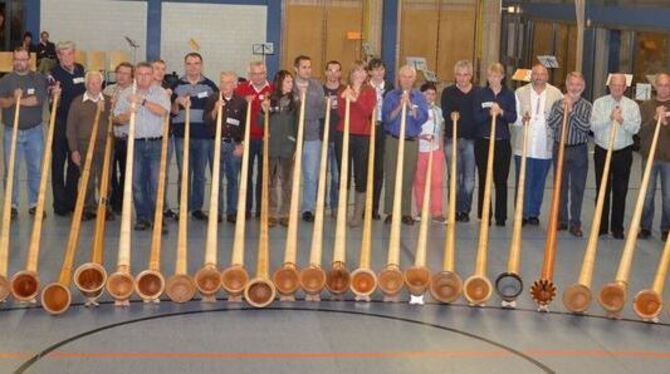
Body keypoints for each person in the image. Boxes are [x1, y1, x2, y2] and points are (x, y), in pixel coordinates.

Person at [114, 62, 171, 231]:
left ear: (153, 75)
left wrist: (143, 101)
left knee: (156, 184)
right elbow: (116, 118)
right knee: (137, 183)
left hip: (156, 143)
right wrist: (127, 115)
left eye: (147, 74)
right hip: (135, 143)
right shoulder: (126, 93)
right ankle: (142, 217)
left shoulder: (160, 92)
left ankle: (157, 218)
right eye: (139, 74)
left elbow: (163, 112)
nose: (143, 77)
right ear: (135, 75)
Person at [0, 47, 49, 218]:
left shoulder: (38, 78)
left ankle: (35, 204)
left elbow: (38, 100)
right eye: (17, 59)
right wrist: (13, 98)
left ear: (29, 60)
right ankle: (11, 205)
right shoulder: (6, 80)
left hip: (34, 132)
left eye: (23, 59)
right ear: (13, 60)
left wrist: (18, 101)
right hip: (10, 132)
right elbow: (2, 103)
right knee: (11, 169)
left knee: (35, 168)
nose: (20, 62)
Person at [590, 73, 641, 239]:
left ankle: (617, 227)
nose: (617, 88)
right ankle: (601, 226)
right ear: (609, 86)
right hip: (603, 150)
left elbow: (635, 129)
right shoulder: (599, 103)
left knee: (621, 190)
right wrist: (609, 118)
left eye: (620, 86)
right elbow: (593, 127)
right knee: (602, 189)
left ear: (625, 88)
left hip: (623, 152)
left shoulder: (632, 106)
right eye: (614, 85)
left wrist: (621, 121)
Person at [512, 64, 562, 226]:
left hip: (545, 146)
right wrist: (522, 119)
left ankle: (534, 212)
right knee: (523, 180)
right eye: (535, 74)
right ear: (530, 76)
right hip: (523, 144)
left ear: (547, 76)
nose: (539, 77)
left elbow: (561, 116)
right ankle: (521, 213)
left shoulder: (556, 94)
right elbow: (514, 117)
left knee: (539, 181)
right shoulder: (520, 93)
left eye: (542, 74)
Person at [171, 52, 218, 221]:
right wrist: (177, 102)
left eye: (196, 63)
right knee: (184, 173)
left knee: (199, 174)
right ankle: (183, 208)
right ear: (185, 65)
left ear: (202, 65)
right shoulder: (175, 85)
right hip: (181, 136)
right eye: (189, 63)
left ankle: (197, 208)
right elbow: (172, 111)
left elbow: (216, 112)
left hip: (204, 136)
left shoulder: (210, 86)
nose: (193, 67)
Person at [381, 65, 429, 225]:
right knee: (391, 175)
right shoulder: (390, 96)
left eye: (410, 77)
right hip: (393, 140)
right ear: (399, 78)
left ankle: (406, 212)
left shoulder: (420, 97)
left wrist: (409, 106)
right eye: (404, 76)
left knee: (408, 177)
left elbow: (421, 119)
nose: (407, 80)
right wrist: (400, 106)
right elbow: (387, 118)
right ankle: (390, 211)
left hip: (411, 141)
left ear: (414, 79)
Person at [547, 72, 592, 237]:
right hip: (560, 148)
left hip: (579, 149)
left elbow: (585, 127)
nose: (574, 88)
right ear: (566, 85)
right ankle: (562, 220)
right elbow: (551, 123)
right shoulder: (558, 103)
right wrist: (562, 110)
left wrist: (571, 111)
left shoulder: (587, 106)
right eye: (572, 84)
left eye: (578, 85)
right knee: (560, 186)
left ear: (583, 87)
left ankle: (575, 223)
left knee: (578, 187)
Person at [472, 62, 517, 226]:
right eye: (491, 76)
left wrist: (502, 112)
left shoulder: (509, 95)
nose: (494, 79)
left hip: (502, 142)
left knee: (501, 180)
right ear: (487, 77)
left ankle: (501, 216)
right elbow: (476, 117)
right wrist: (489, 114)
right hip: (483, 141)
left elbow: (513, 117)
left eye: (497, 76)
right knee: (484, 179)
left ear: (503, 77)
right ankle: (484, 214)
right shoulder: (480, 94)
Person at [335, 61, 376, 227]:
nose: (359, 74)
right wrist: (347, 98)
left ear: (366, 74)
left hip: (363, 136)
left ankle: (357, 215)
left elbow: (366, 112)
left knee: (361, 175)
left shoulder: (370, 91)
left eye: (362, 71)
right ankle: (342, 212)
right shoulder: (342, 89)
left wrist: (355, 99)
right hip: (343, 134)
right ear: (351, 73)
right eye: (356, 71)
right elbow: (341, 113)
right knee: (343, 173)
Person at [66, 71, 110, 221]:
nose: (95, 85)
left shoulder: (109, 102)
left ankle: (105, 207)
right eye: (91, 83)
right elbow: (70, 128)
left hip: (105, 145)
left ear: (102, 84)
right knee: (87, 178)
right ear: (86, 84)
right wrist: (74, 150)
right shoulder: (77, 103)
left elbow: (116, 121)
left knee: (106, 178)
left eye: (98, 83)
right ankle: (89, 207)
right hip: (84, 145)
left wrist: (106, 112)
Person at [204, 71, 246, 224]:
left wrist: (242, 144)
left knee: (233, 179)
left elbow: (244, 125)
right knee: (216, 180)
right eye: (222, 82)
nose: (224, 85)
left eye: (228, 82)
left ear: (235, 85)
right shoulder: (212, 99)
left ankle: (232, 212)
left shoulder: (241, 102)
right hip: (216, 144)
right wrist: (215, 109)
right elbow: (206, 121)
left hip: (234, 144)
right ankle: (217, 212)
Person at [50, 41, 86, 216]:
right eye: (63, 54)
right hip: (60, 122)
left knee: (75, 162)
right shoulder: (53, 73)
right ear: (58, 56)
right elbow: (50, 95)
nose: (68, 57)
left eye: (70, 53)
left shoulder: (80, 69)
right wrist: (53, 95)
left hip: (78, 124)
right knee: (58, 163)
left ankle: (72, 201)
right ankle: (59, 204)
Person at [235, 60, 273, 219]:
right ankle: (245, 209)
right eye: (254, 74)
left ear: (266, 73)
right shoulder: (241, 89)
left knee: (264, 176)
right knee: (246, 174)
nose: (258, 77)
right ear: (249, 74)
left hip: (266, 139)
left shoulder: (273, 90)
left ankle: (261, 210)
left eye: (261, 73)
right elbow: (235, 114)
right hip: (247, 139)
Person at [441, 59, 477, 222]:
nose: (462, 78)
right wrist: (451, 115)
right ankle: (454, 209)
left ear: (471, 76)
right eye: (459, 75)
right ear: (455, 76)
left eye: (466, 75)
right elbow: (445, 112)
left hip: (471, 141)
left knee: (469, 179)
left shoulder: (478, 92)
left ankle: (465, 210)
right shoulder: (448, 92)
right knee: (454, 177)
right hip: (452, 140)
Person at [262, 70, 298, 227]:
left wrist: (296, 144)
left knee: (286, 182)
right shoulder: (269, 99)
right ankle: (270, 212)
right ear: (280, 83)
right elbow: (259, 122)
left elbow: (298, 125)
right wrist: (264, 111)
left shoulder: (295, 101)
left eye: (291, 81)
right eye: (288, 81)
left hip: (288, 146)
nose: (291, 84)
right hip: (272, 145)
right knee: (270, 181)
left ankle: (285, 213)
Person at [292, 55, 325, 222]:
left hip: (312, 137)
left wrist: (306, 110)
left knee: (311, 175)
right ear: (296, 68)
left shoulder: (316, 86)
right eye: (304, 67)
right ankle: (288, 208)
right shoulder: (289, 85)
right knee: (289, 175)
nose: (307, 70)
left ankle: (308, 209)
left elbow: (321, 110)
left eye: (309, 67)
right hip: (292, 138)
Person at [639, 73, 670, 241]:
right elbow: (641, 132)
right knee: (647, 195)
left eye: (667, 85)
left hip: (669, 160)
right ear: (655, 86)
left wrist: (665, 123)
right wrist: (655, 119)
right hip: (649, 157)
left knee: (668, 197)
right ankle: (645, 227)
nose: (664, 88)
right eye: (661, 85)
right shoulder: (646, 106)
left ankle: (666, 228)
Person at [104, 62, 134, 215]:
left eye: (125, 74)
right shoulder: (108, 90)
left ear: (131, 76)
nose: (121, 76)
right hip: (110, 137)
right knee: (109, 172)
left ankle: (122, 203)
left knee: (125, 172)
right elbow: (101, 112)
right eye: (119, 72)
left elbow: (125, 119)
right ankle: (110, 200)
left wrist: (111, 117)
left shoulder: (134, 92)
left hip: (125, 138)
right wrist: (112, 117)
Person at [414, 82, 445, 223]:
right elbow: (411, 130)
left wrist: (441, 149)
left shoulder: (438, 111)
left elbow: (441, 130)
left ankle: (437, 212)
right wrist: (421, 137)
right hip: (420, 149)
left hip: (435, 150)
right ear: (421, 95)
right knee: (420, 181)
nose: (430, 96)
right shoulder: (415, 110)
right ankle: (421, 210)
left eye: (433, 94)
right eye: (427, 94)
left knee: (437, 182)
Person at [367, 58, 394, 220]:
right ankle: (364, 206)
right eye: (375, 70)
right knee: (365, 169)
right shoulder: (364, 87)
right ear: (369, 72)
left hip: (383, 130)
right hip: (366, 130)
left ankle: (374, 208)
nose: (378, 73)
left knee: (378, 170)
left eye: (381, 69)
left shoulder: (390, 88)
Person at [152, 58, 178, 220]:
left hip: (166, 136)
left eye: (163, 69)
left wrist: (179, 101)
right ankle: (149, 207)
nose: (160, 72)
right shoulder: (145, 88)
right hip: (148, 137)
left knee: (163, 174)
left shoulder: (168, 88)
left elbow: (174, 111)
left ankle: (163, 206)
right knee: (147, 175)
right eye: (157, 68)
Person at [323, 60, 344, 217]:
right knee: (321, 175)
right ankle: (320, 205)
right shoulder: (318, 90)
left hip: (339, 138)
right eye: (330, 70)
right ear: (325, 72)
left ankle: (335, 206)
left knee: (337, 176)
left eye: (336, 71)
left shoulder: (345, 90)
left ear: (340, 73)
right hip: (321, 137)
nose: (333, 74)